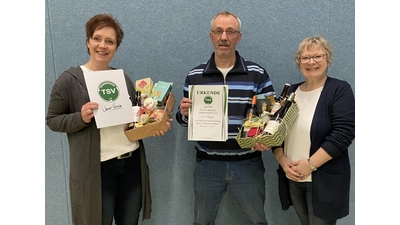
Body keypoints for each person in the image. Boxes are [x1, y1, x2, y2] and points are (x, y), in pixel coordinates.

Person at [46, 13, 171, 225]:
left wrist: (153, 127)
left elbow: (135, 119)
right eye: (97, 38)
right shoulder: (69, 80)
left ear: (115, 47)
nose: (102, 45)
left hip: (131, 163)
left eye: (110, 41)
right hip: (97, 169)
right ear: (88, 42)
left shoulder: (121, 78)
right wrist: (81, 117)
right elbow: (52, 120)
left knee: (129, 221)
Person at [175, 11, 275, 225]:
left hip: (248, 163)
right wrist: (184, 114)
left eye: (230, 32)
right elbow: (183, 119)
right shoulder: (195, 75)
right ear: (211, 36)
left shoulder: (257, 73)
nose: (224, 37)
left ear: (238, 37)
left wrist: (265, 138)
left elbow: (270, 117)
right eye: (219, 31)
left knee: (257, 221)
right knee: (202, 222)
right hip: (207, 164)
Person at [272, 35, 355, 225]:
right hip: (292, 177)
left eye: (318, 56)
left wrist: (309, 165)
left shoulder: (339, 90)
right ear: (298, 62)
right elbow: (275, 133)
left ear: (328, 59)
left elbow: (343, 135)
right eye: (305, 58)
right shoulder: (290, 92)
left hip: (323, 180)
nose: (311, 62)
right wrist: (282, 160)